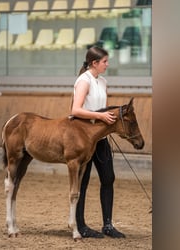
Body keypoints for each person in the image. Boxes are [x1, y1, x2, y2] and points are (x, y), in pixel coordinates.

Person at [71, 46, 126, 238]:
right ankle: (81, 225)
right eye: (105, 61)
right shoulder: (83, 81)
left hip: (100, 138)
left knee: (108, 178)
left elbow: (103, 108)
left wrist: (107, 120)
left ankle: (108, 225)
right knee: (83, 182)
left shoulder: (102, 81)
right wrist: (100, 117)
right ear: (94, 63)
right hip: (83, 139)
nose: (107, 64)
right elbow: (75, 110)